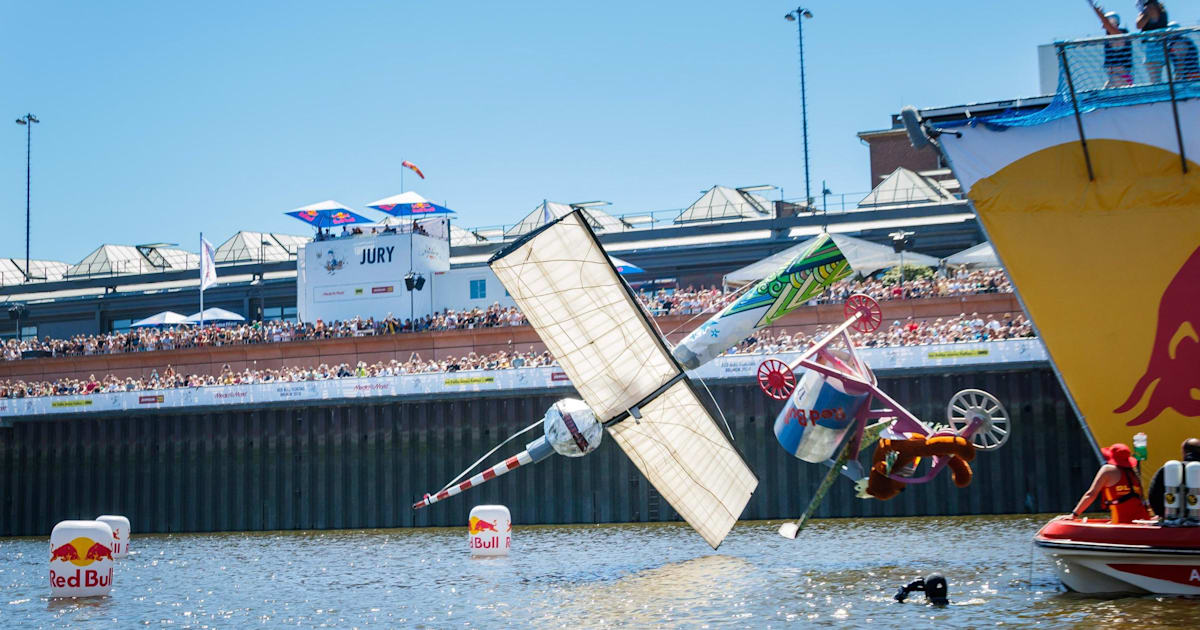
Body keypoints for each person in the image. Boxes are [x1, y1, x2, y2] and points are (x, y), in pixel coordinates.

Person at [1070, 443, 1150, 523]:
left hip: (1122, 522)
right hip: (1143, 520)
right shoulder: (1133, 473)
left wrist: (1074, 515)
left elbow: (1091, 494)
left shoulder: (1108, 470)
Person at [1147, 438, 1200, 517]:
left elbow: (1154, 495)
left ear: (1183, 452)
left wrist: (1163, 516)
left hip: (1172, 521)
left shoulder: (1168, 469)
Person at [1091, 4, 1133, 87]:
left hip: (1122, 78)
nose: (1103, 25)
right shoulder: (1108, 38)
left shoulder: (1121, 34)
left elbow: (1108, 25)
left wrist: (1099, 12)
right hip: (1114, 77)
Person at [1137, 1, 1170, 83]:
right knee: (1154, 77)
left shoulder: (1161, 12)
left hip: (1159, 46)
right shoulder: (1144, 13)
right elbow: (1138, 25)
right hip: (1149, 47)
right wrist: (1144, 12)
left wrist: (1147, 10)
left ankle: (1158, 92)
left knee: (1156, 77)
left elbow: (1154, 15)